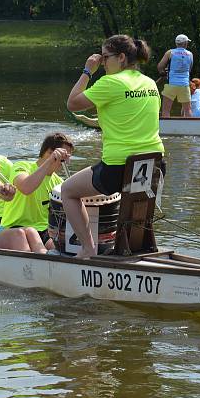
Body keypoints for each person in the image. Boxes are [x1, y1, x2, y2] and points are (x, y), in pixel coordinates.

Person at [63, 34, 164, 258]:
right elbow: (133, 118)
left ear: (120, 58)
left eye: (104, 57)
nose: (101, 62)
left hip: (118, 167)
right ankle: (138, 245)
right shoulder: (149, 83)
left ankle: (88, 250)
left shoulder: (110, 83)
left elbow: (72, 103)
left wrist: (88, 70)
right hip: (155, 163)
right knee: (138, 203)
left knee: (68, 191)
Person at [1, 132, 74, 252]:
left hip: (45, 231)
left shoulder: (59, 182)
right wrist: (50, 161)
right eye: (64, 156)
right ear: (50, 152)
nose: (66, 161)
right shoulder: (22, 166)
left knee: (64, 250)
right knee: (39, 249)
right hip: (16, 227)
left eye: (68, 157)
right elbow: (26, 188)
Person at [157, 34, 194, 117]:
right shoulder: (190, 54)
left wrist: (163, 73)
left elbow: (160, 66)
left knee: (166, 111)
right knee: (188, 110)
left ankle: (166, 128)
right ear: (185, 43)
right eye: (187, 42)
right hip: (185, 85)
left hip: (171, 84)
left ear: (176, 43)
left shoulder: (170, 52)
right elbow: (189, 69)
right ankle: (190, 128)